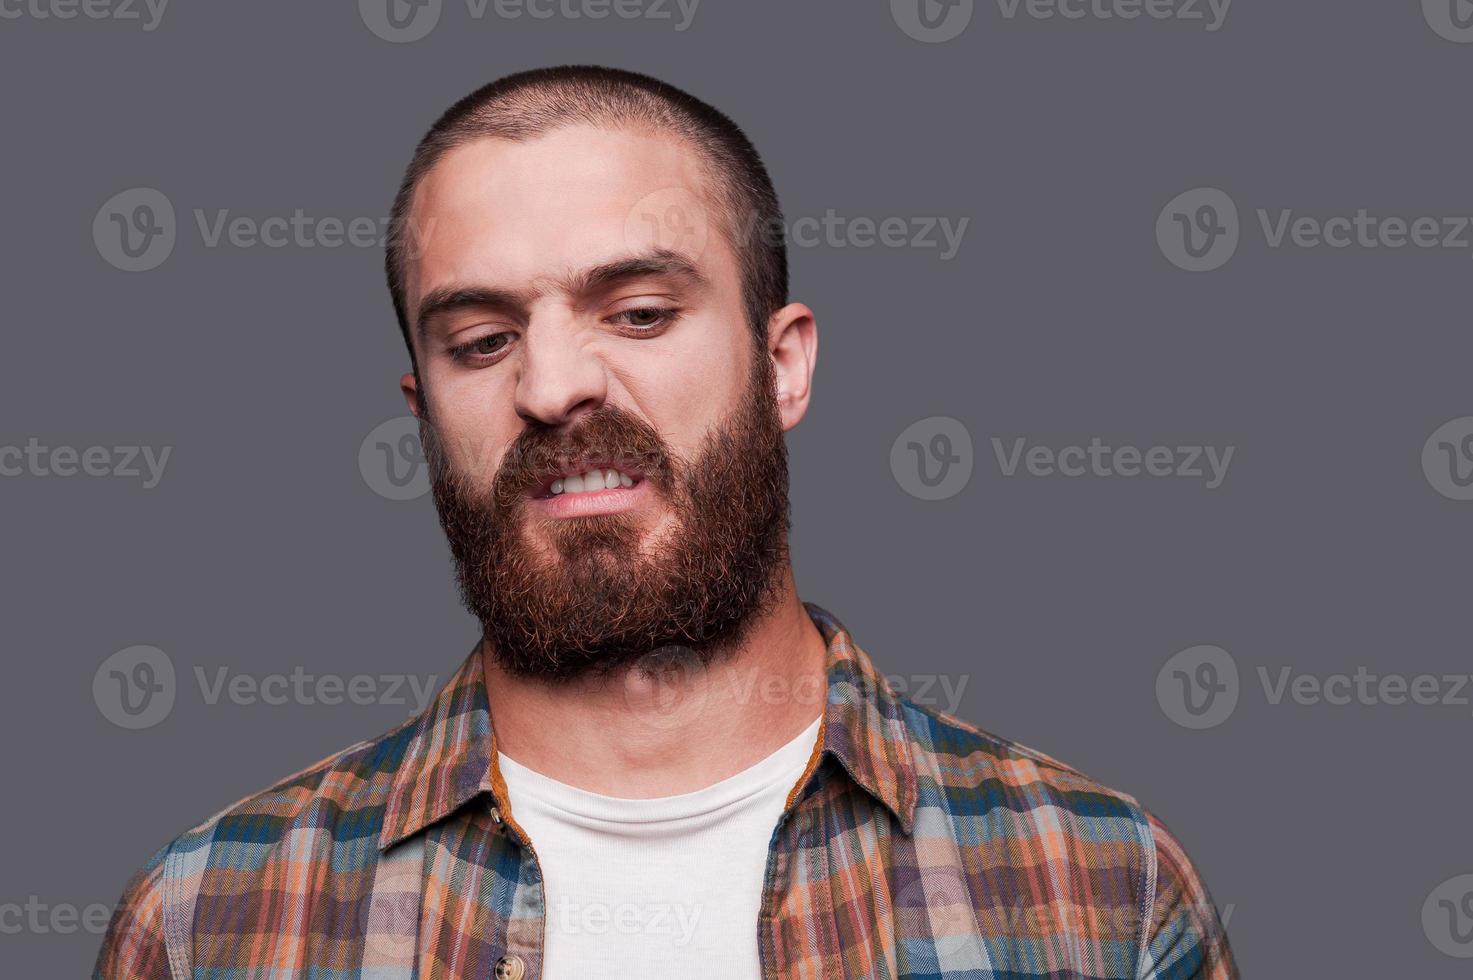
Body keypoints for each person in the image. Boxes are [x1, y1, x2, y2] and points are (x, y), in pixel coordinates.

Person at [95, 65, 1237, 979]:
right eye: (482, 339)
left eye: (638, 312)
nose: (552, 386)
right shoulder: (214, 924)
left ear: (782, 366)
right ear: (424, 411)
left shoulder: (1096, 890)